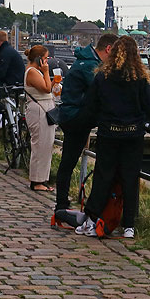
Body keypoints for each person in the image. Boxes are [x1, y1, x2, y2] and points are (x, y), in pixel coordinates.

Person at [75, 36, 150, 239]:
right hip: (133, 134)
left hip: (108, 133)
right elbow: (148, 105)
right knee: (130, 179)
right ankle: (129, 225)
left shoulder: (103, 77)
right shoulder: (140, 78)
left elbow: (91, 106)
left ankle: (92, 219)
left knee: (104, 176)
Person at [54, 33, 118, 212]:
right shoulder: (91, 66)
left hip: (70, 115)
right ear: (108, 49)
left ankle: (62, 203)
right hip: (77, 118)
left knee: (68, 161)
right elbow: (102, 91)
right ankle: (62, 204)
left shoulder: (85, 60)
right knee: (68, 161)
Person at [24, 45, 57, 191]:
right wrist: (46, 72)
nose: (47, 62)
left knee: (46, 145)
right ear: (39, 59)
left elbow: (48, 87)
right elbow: (46, 88)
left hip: (43, 110)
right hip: (39, 112)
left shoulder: (35, 71)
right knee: (40, 145)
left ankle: (42, 179)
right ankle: (37, 181)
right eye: (45, 59)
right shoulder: (32, 72)